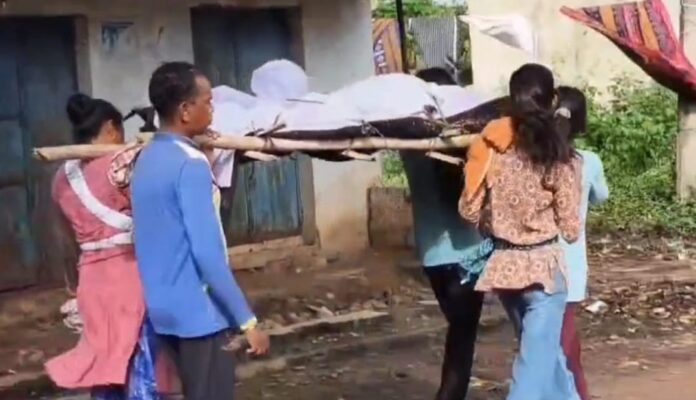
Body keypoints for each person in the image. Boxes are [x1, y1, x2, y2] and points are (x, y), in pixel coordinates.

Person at [130, 61, 269, 400]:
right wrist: (247, 321)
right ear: (185, 110)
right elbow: (207, 254)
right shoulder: (191, 165)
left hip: (163, 310)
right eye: (207, 102)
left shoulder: (146, 159)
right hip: (199, 314)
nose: (212, 109)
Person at [459, 63, 582, 400]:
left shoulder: (493, 151)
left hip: (505, 271)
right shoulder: (560, 156)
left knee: (548, 362)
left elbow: (468, 210)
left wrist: (495, 222)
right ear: (552, 100)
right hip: (544, 273)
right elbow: (571, 230)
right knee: (532, 369)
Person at [45, 94, 168, 399]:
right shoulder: (122, 163)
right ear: (112, 129)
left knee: (104, 367)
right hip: (129, 278)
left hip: (92, 282)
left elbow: (66, 239)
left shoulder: (60, 179)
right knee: (140, 364)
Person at [399, 67, 490, 400]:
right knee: (462, 337)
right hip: (467, 254)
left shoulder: (407, 141)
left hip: (432, 256)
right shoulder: (463, 142)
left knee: (458, 330)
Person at [557, 86, 609, 400]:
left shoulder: (528, 158)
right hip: (571, 265)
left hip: (531, 263)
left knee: (546, 340)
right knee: (564, 339)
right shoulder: (588, 161)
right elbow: (601, 196)